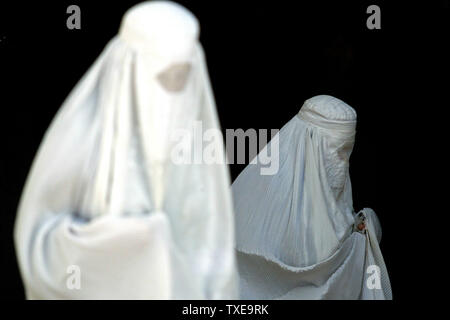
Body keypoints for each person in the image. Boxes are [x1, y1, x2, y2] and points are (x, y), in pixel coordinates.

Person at [14, 1, 238, 299]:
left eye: (183, 77)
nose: (175, 92)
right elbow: (38, 245)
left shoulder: (198, 150)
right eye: (164, 77)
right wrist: (128, 246)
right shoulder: (82, 137)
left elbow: (213, 255)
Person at [232, 95, 392, 299]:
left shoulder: (333, 190)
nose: (342, 163)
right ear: (308, 143)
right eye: (338, 152)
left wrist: (364, 231)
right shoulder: (266, 201)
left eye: (347, 153)